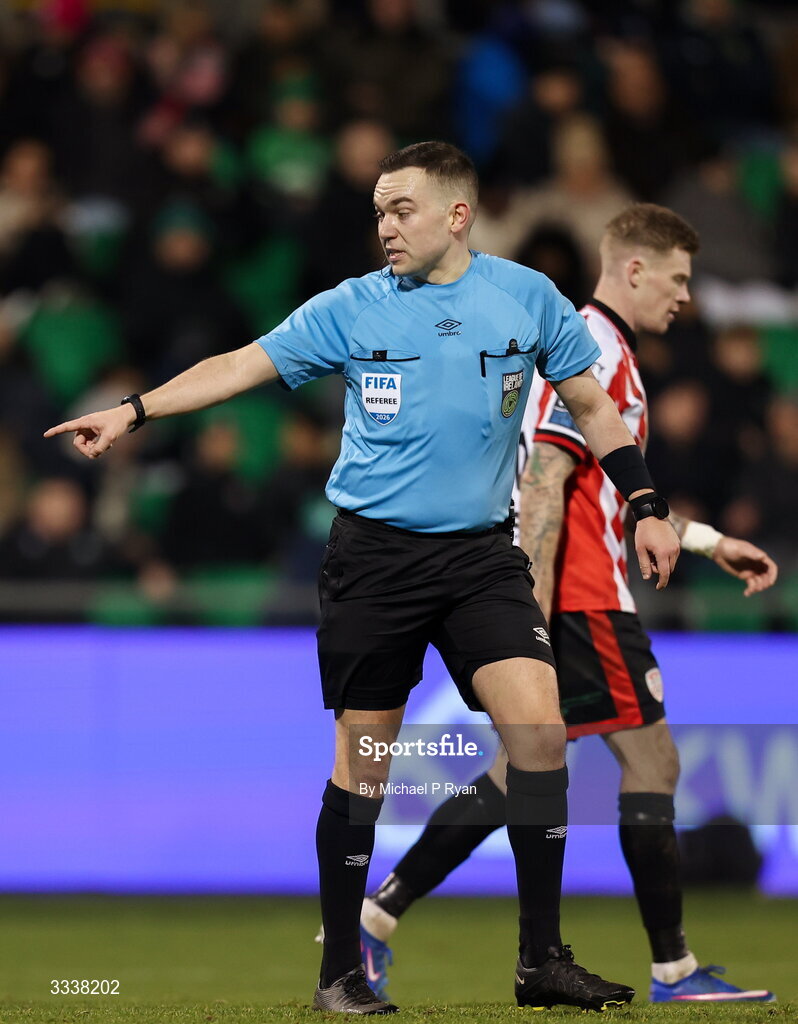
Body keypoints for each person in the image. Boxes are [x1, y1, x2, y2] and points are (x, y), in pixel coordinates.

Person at [45, 144, 680, 1014]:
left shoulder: (527, 298)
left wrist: (645, 502)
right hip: (374, 560)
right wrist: (134, 410)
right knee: (367, 764)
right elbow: (239, 365)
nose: (384, 226)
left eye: (402, 210)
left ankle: (542, 961)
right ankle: (340, 971)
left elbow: (594, 406)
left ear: (459, 216)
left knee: (539, 737)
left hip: (480, 557)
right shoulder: (352, 307)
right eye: (379, 211)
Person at [357, 203, 779, 1005]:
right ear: (633, 270)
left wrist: (704, 541)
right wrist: (534, 618)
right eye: (678, 279)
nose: (685, 297)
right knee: (650, 761)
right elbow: (547, 480)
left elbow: (604, 490)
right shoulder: (594, 347)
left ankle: (374, 920)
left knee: (519, 772)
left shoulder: (590, 347)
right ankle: (675, 971)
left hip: (575, 593)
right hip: (582, 602)